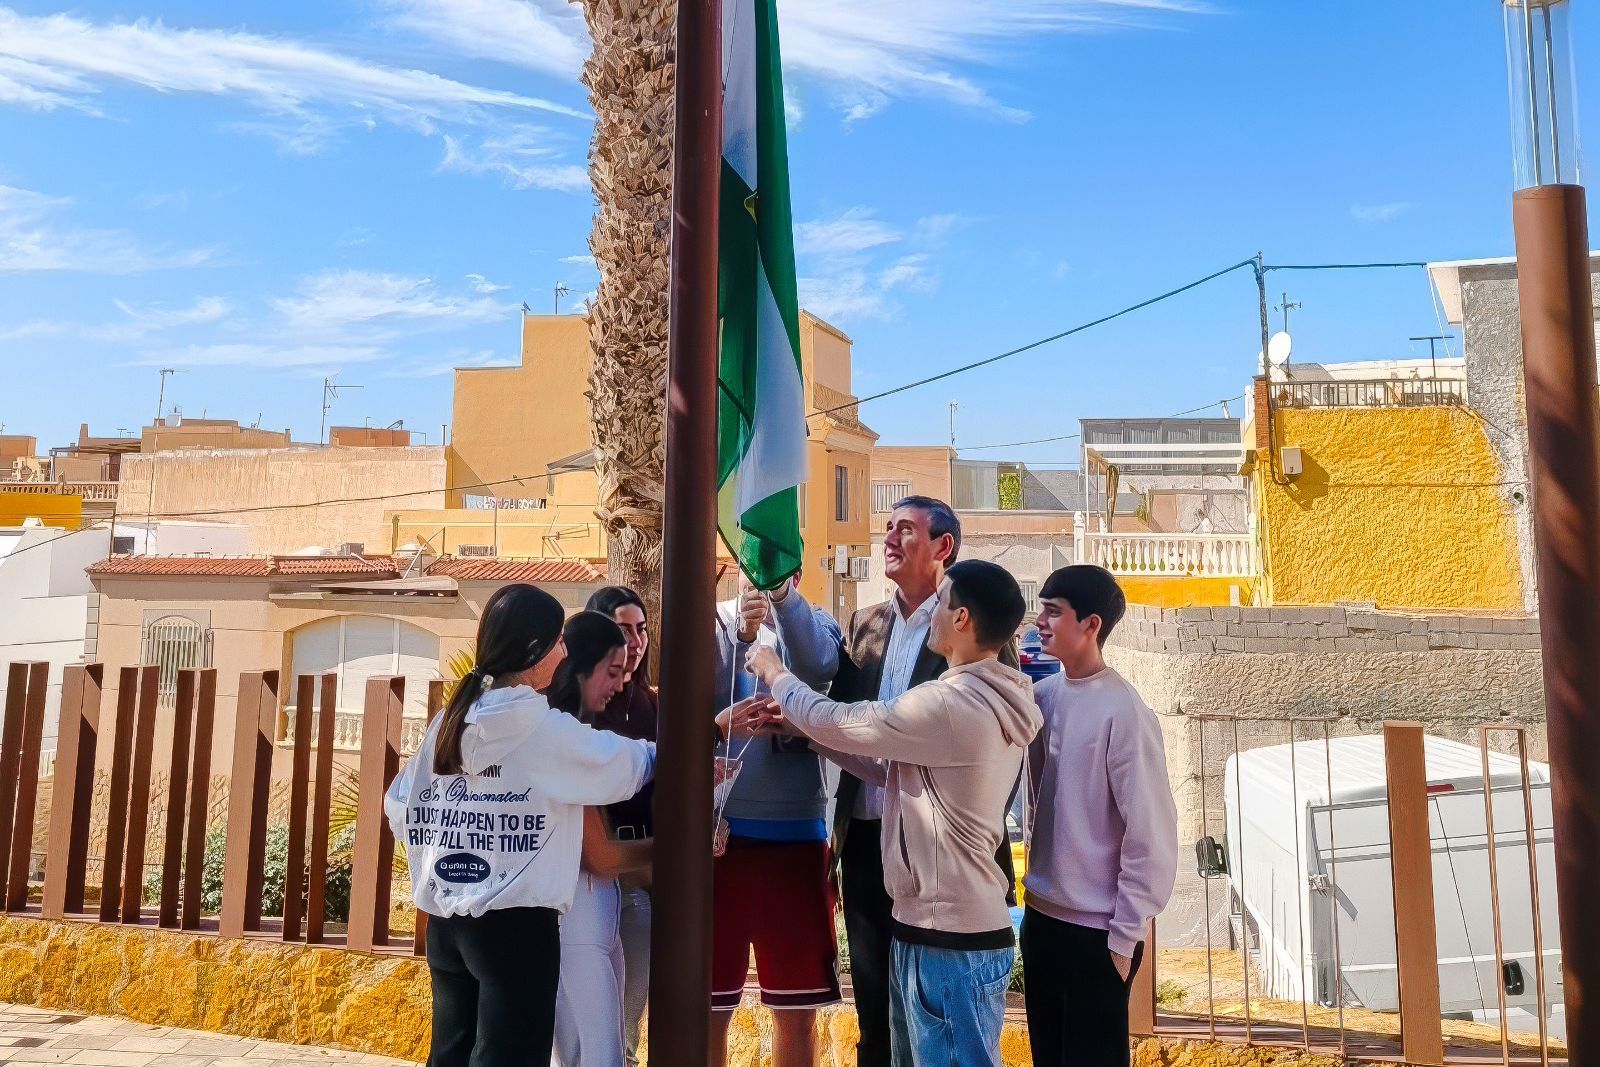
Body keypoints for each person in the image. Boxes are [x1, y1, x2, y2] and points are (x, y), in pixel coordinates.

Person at [743, 559, 1040, 1067]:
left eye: (942, 604)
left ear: (963, 619)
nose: (932, 615)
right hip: (934, 929)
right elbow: (889, 770)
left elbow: (838, 717)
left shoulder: (952, 703)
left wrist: (775, 671)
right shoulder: (985, 696)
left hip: (948, 938)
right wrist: (803, 735)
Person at [385, 584, 655, 1067]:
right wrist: (707, 734)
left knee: (449, 1055)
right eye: (557, 642)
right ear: (533, 652)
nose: (565, 650)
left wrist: (460, 843)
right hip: (516, 928)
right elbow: (623, 767)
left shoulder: (450, 720)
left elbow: (399, 806)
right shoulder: (541, 728)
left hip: (446, 926)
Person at [827, 496, 1020, 1067]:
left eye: (905, 529)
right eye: (887, 525)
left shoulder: (975, 635)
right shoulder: (864, 624)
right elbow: (841, 720)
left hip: (943, 860)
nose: (889, 537)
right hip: (866, 844)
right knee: (876, 1020)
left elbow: (996, 757)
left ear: (944, 548)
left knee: (939, 1034)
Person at [1021, 565, 1178, 1067]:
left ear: (1091, 625)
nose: (1040, 621)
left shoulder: (1125, 711)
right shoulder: (1042, 698)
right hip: (1041, 920)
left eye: (1054, 610)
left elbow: (1150, 832)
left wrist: (1124, 937)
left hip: (1097, 935)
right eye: (1040, 607)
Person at [710, 570, 841, 1067]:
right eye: (750, 566)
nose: (758, 577)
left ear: (797, 573)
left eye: (775, 567)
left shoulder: (813, 622)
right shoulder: (716, 625)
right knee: (711, 1003)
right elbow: (696, 696)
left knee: (796, 1006)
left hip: (796, 839)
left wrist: (784, 604)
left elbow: (820, 664)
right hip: (721, 838)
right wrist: (740, 636)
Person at [546, 611, 656, 1067]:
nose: (618, 684)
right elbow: (600, 855)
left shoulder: (573, 732)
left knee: (591, 1047)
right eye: (612, 673)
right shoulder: (560, 736)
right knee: (597, 1052)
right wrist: (679, 845)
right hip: (577, 921)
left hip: (593, 916)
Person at [585, 586, 658, 1067]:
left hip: (647, 876)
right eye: (622, 629)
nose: (634, 641)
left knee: (628, 1022)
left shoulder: (654, 704)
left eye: (641, 629)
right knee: (593, 1029)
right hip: (594, 877)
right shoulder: (580, 709)